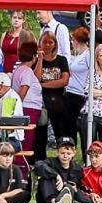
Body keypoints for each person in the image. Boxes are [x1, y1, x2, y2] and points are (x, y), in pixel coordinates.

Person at [33, 31, 70, 160]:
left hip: (58, 101)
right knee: (40, 135)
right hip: (41, 102)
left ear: (55, 44)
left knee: (60, 132)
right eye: (45, 42)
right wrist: (40, 60)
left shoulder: (61, 60)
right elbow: (35, 79)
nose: (48, 45)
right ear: (40, 43)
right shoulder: (36, 60)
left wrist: (43, 85)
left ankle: (63, 158)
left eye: (51, 42)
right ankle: (39, 161)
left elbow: (64, 81)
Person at [10, 41, 44, 162]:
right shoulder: (27, 72)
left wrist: (40, 60)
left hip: (27, 108)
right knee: (26, 141)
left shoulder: (21, 69)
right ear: (33, 56)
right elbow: (23, 92)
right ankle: (22, 170)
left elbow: (37, 78)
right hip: (28, 109)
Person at [33, 137, 83, 203]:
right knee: (46, 177)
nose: (65, 156)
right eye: (62, 153)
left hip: (67, 198)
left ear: (74, 153)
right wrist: (55, 175)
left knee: (69, 188)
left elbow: (80, 188)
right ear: (57, 152)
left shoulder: (78, 169)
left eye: (68, 153)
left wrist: (74, 188)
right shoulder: (50, 162)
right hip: (46, 200)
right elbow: (38, 166)